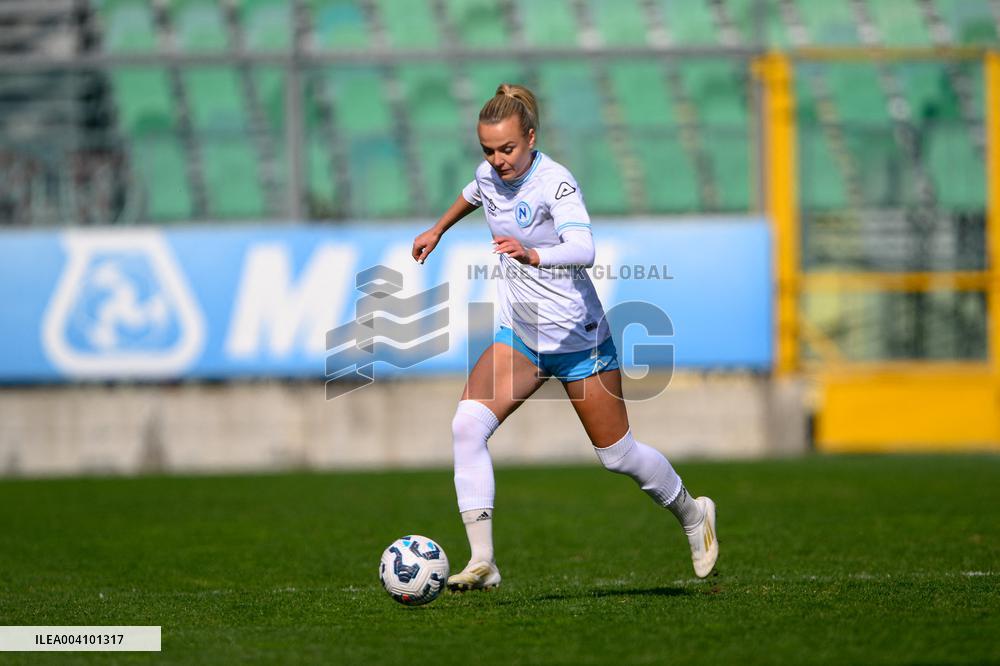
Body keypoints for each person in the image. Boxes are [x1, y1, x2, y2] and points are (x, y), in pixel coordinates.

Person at [411, 83, 718, 591]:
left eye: (508, 148)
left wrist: (535, 255)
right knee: (467, 425)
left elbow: (584, 247)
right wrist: (437, 229)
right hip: (523, 338)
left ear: (530, 137)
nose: (498, 159)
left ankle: (693, 512)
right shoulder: (490, 174)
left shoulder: (556, 184)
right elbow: (473, 191)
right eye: (488, 150)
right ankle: (483, 559)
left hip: (580, 340)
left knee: (618, 455)